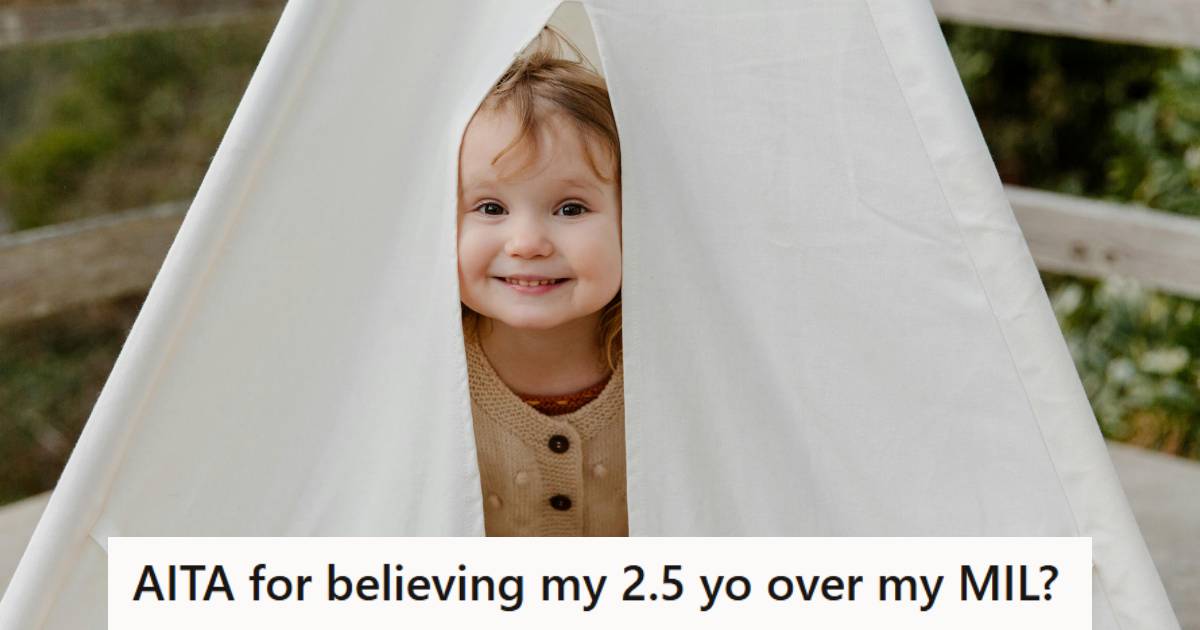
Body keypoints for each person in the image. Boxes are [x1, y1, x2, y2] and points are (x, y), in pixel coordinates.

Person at [456, 27, 626, 536]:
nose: (527, 242)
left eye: (570, 208)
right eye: (491, 208)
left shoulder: (677, 366)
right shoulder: (422, 375)